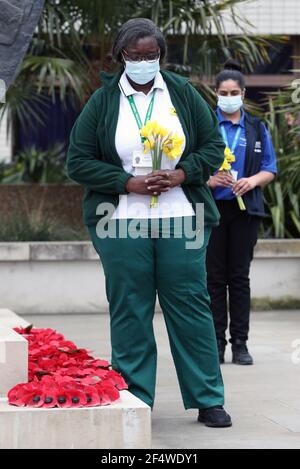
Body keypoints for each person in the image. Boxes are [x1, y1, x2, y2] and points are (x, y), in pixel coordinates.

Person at [67, 18, 232, 427]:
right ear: (121, 57)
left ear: (161, 55)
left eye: (151, 55)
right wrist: (127, 182)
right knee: (130, 306)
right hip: (121, 221)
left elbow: (213, 145)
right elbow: (78, 161)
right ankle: (135, 396)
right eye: (135, 56)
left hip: (182, 216)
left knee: (191, 305)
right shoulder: (104, 101)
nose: (143, 62)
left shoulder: (182, 93)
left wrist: (181, 174)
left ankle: (207, 398)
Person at [207, 59, 277, 365]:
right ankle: (215, 343)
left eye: (234, 91)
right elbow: (188, 167)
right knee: (213, 279)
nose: (229, 96)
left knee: (239, 277)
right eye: (223, 91)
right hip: (212, 211)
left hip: (245, 211)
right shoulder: (204, 126)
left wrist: (251, 181)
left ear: (243, 94)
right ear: (216, 93)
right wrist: (209, 180)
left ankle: (240, 344)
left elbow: (270, 169)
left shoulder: (256, 127)